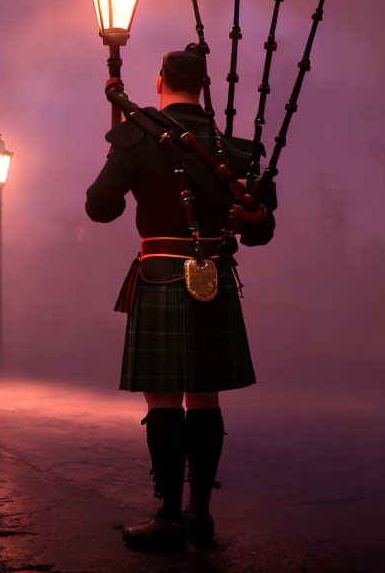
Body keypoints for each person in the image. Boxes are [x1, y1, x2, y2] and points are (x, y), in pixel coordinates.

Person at [85, 48, 276, 551]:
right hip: (215, 273)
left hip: (161, 274)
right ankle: (200, 516)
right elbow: (262, 232)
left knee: (165, 400)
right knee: (204, 398)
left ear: (159, 81)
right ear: (204, 87)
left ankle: (170, 518)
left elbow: (99, 208)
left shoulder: (139, 135)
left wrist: (118, 156)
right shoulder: (231, 148)